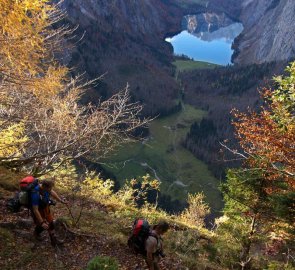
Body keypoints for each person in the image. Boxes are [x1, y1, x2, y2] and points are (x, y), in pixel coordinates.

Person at [30, 178, 66, 246]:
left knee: (51, 223)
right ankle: (36, 233)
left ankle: (54, 241)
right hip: (38, 210)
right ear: (45, 187)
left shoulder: (46, 189)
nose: (51, 189)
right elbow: (35, 210)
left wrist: (61, 200)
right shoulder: (35, 193)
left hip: (46, 208)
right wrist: (42, 222)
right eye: (50, 188)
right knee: (42, 226)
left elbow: (52, 192)